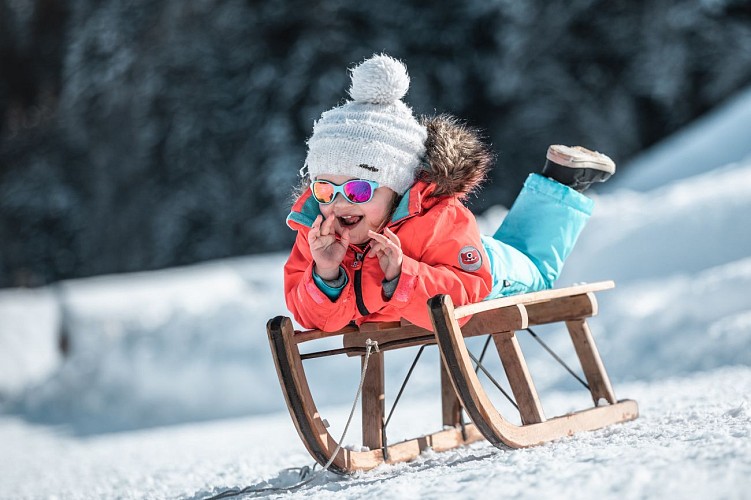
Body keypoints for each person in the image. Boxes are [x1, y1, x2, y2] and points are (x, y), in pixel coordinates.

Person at [284, 54, 615, 332]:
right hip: (455, 259)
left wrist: (403, 275)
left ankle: (563, 179)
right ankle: (559, 181)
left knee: (536, 272)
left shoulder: (438, 217)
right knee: (515, 248)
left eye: (357, 189)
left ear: (398, 187)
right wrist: (326, 273)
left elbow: (468, 295)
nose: (339, 202)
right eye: (325, 189)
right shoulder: (316, 235)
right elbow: (314, 318)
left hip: (485, 269)